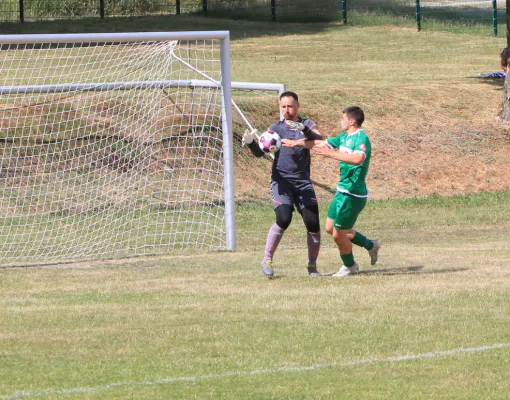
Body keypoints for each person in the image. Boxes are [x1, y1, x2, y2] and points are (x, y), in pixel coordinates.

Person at [281, 106, 381, 277]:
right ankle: (370, 245)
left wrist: (330, 154)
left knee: (338, 233)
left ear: (352, 121)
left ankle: (350, 266)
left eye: (342, 119)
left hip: (353, 194)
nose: (340, 121)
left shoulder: (361, 138)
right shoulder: (344, 136)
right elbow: (319, 143)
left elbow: (357, 159)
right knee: (329, 228)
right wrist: (295, 143)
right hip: (342, 191)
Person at [242, 91, 323, 278]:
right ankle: (267, 260)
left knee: (312, 223)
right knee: (284, 218)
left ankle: (312, 266)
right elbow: (261, 152)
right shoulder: (275, 128)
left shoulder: (308, 125)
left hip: (303, 182)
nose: (287, 110)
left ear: (298, 106)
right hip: (281, 181)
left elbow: (319, 141)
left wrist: (303, 129)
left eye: (290, 106)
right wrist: (251, 144)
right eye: (283, 107)